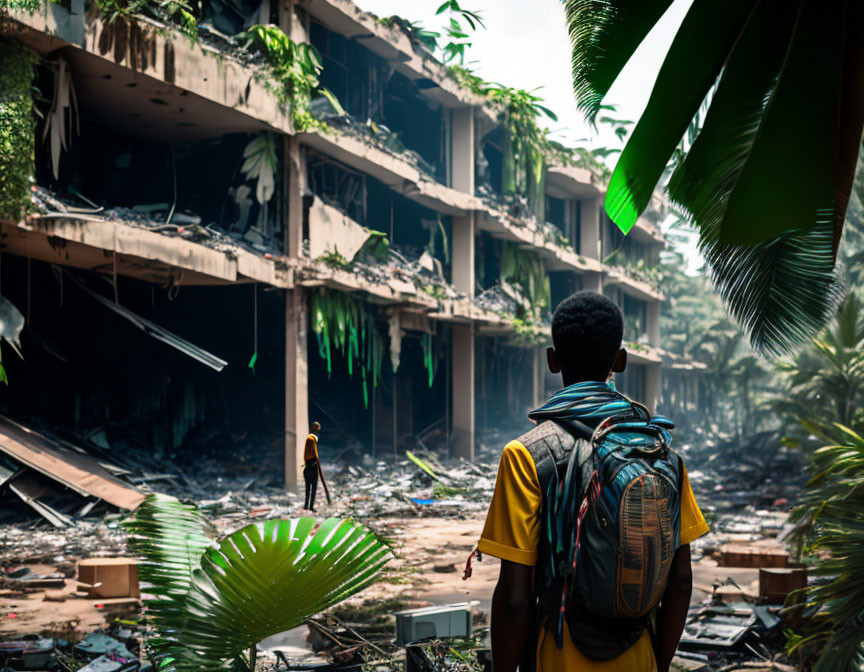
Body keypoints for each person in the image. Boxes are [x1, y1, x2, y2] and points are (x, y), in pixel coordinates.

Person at [477, 291, 709, 672]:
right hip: (640, 656)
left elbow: (515, 599)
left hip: (557, 656)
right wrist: (660, 664)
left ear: (553, 360)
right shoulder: (661, 451)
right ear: (620, 361)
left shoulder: (526, 454)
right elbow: (681, 582)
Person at [303, 421, 322, 511]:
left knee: (308, 489)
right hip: (312, 466)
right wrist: (316, 461)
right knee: (312, 488)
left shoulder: (310, 438)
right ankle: (309, 507)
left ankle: (307, 506)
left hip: (308, 466)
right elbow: (315, 452)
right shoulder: (312, 438)